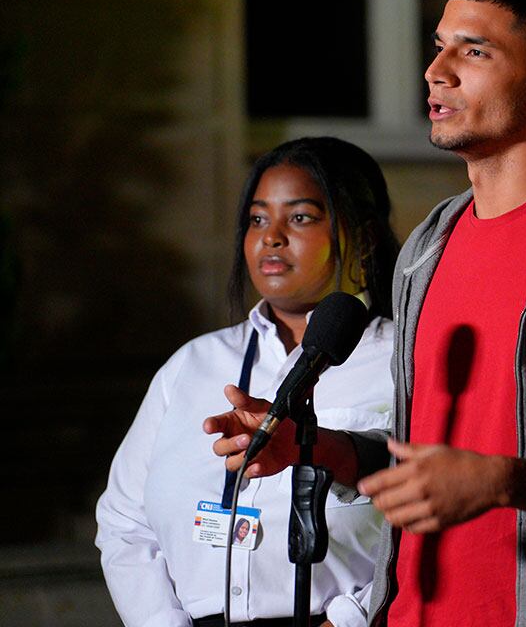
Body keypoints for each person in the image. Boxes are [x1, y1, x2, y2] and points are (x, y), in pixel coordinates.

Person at [206, 0, 526, 627]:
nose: (435, 70)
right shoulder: (426, 248)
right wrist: (319, 448)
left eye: (474, 50)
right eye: (438, 45)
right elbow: (430, 460)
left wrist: (509, 481)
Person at [96, 137, 400, 627]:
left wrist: (352, 618)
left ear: (361, 238)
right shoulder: (193, 363)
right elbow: (124, 521)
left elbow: (435, 520)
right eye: (258, 219)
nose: (271, 237)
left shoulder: (402, 360)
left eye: (299, 217)